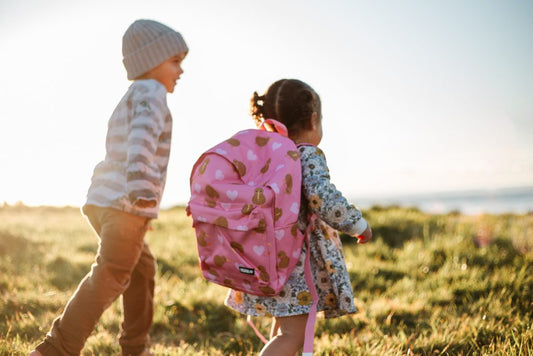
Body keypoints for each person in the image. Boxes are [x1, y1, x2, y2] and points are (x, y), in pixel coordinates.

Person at [29, 19, 188, 356]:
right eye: (175, 61)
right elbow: (142, 141)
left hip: (103, 201)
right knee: (111, 275)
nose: (180, 70)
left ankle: (135, 347)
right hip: (127, 203)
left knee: (142, 269)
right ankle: (56, 349)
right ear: (151, 61)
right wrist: (142, 189)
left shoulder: (131, 96)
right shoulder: (152, 94)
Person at [224, 79, 373, 356]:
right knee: (293, 335)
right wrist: (357, 223)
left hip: (266, 257)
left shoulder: (265, 156)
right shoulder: (304, 155)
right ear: (313, 119)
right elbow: (322, 196)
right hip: (294, 264)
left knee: (285, 329)